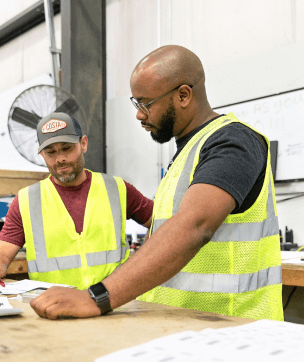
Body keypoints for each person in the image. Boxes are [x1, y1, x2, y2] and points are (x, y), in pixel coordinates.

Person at [30, 45, 283, 321]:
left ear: (183, 95)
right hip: (185, 328)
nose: (139, 114)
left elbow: (194, 226)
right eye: (136, 103)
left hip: (234, 330)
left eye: (145, 104)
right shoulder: (186, 154)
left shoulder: (233, 142)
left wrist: (97, 297)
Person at [0, 112, 153, 290]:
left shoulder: (117, 189)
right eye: (50, 152)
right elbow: (0, 257)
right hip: (55, 309)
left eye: (67, 148)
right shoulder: (27, 201)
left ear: (83, 144)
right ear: (41, 154)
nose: (60, 159)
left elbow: (167, 225)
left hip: (115, 306)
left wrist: (144, 261)